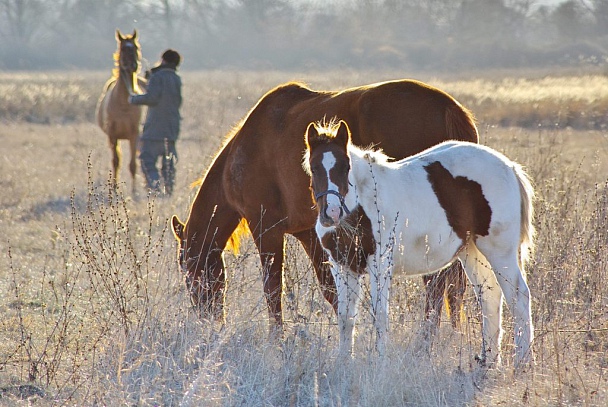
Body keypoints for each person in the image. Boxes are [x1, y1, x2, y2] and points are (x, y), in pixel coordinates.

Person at [129, 49, 182, 195]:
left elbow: (152, 98)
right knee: (168, 164)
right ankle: (169, 191)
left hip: (154, 130)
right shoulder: (177, 78)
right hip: (171, 129)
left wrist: (133, 98)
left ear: (164, 60)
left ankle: (155, 188)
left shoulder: (157, 77)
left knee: (147, 160)